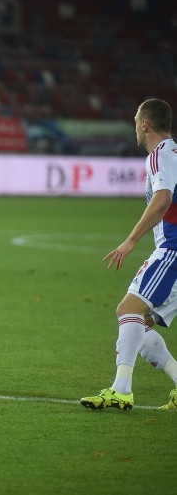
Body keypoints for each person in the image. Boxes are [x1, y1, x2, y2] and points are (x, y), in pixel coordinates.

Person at [81, 98, 177, 411]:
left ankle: (121, 389)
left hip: (173, 250)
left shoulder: (160, 155)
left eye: (136, 120)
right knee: (138, 324)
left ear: (146, 124)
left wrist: (131, 240)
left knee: (128, 310)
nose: (134, 126)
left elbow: (162, 198)